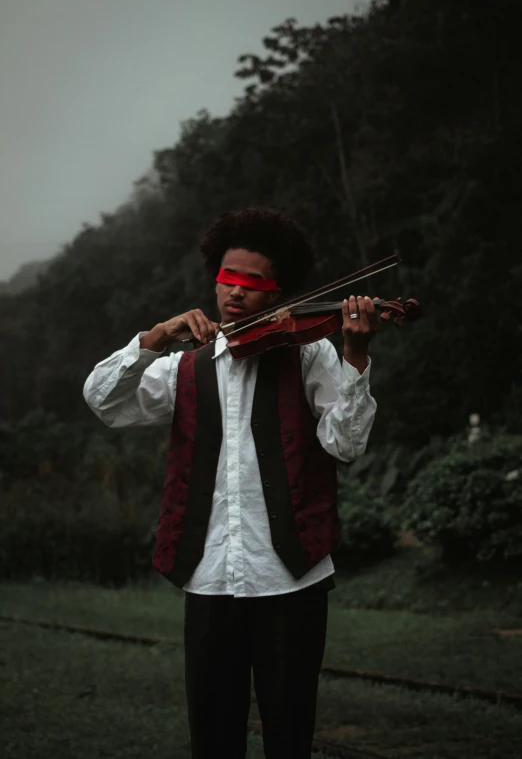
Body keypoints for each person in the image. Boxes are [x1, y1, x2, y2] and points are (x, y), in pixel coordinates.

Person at [83, 207, 378, 759]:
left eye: (252, 283)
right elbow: (104, 400)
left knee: (290, 737)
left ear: (278, 292)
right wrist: (154, 337)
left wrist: (356, 355)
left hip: (291, 579)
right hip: (209, 578)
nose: (235, 293)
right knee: (213, 740)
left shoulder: (309, 352)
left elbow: (346, 444)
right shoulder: (185, 366)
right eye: (227, 278)